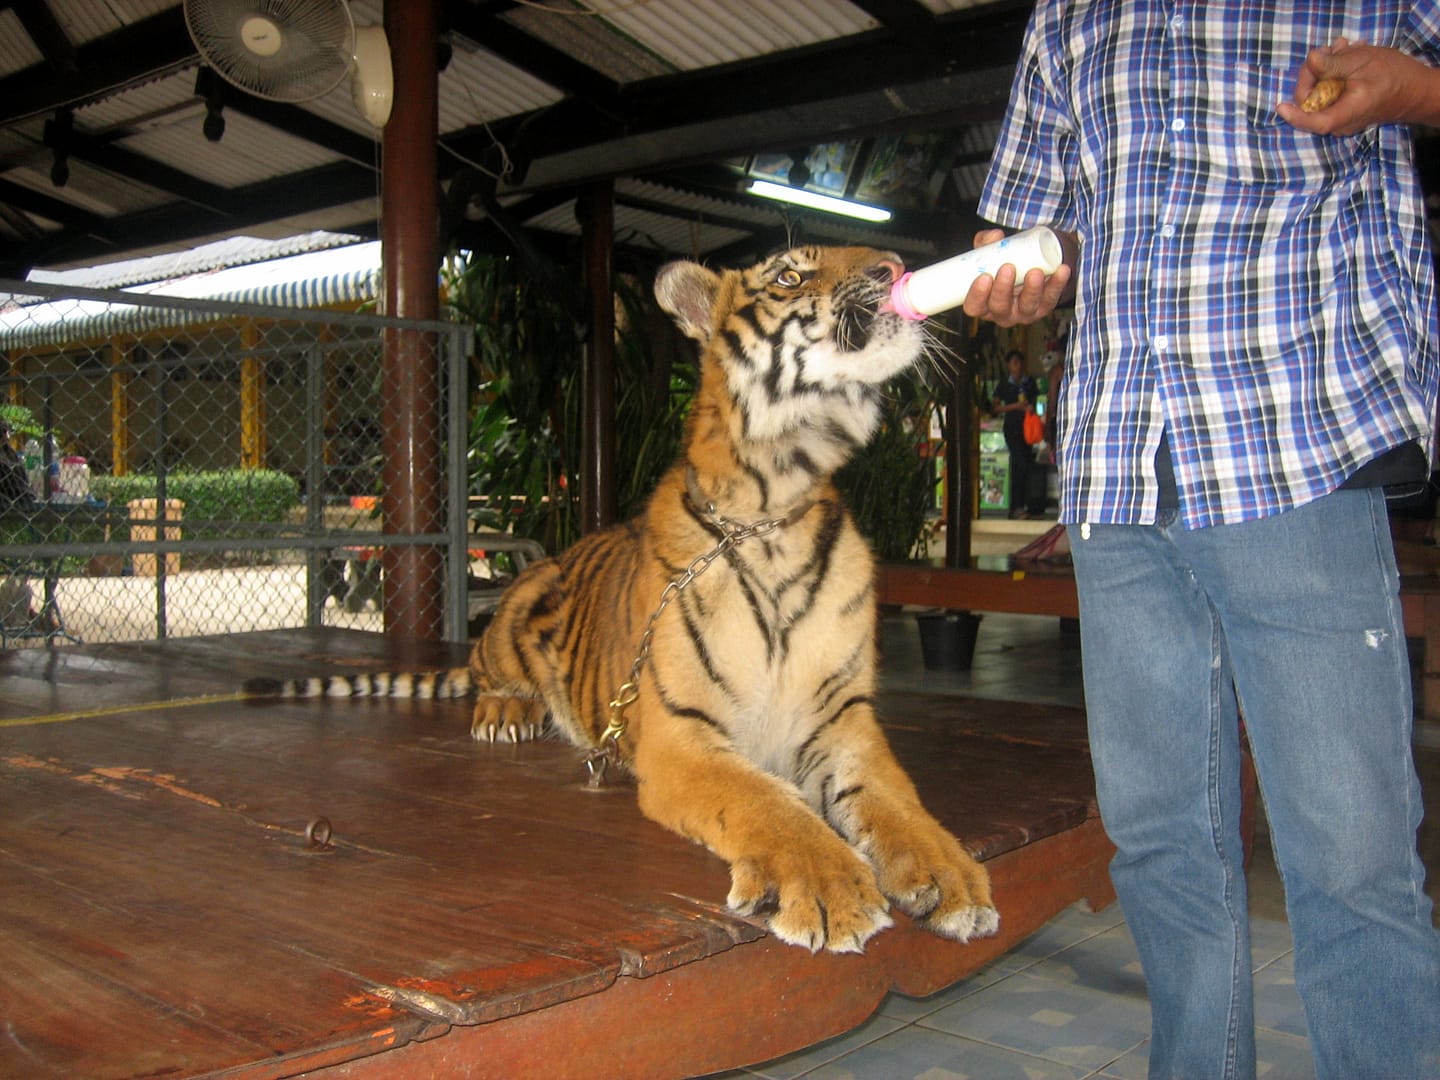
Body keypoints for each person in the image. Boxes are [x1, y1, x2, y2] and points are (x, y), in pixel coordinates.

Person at [964, 6, 1440, 1079]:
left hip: (1299, 438)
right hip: (1118, 464)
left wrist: (1410, 89)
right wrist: (1021, 273)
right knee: (1163, 845)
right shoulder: (1067, 15)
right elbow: (1043, 224)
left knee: (1351, 859)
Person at [991, 349, 1042, 518]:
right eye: (1013, 363)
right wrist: (1015, 407)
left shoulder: (1029, 383)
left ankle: (1025, 504)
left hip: (1026, 427)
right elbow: (996, 407)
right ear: (1009, 366)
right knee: (1019, 463)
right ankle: (1017, 506)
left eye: (1019, 363)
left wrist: (1030, 409)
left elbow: (1036, 401)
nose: (1017, 367)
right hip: (1012, 427)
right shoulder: (1005, 384)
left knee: (1026, 463)